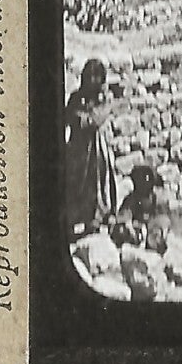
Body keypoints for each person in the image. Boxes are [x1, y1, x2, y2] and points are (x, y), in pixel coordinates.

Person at [64, 58, 117, 236]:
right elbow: (71, 118)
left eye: (97, 78)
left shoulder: (105, 98)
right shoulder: (76, 98)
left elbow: (96, 119)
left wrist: (85, 119)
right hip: (78, 151)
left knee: (98, 184)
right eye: (89, 78)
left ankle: (95, 220)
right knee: (76, 183)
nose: (92, 82)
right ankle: (74, 223)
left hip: (97, 151)